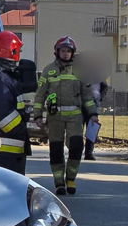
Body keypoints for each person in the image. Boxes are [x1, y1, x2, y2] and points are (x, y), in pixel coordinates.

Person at [33, 36, 98, 194]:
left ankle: (70, 178)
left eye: (69, 51)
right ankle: (59, 183)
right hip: (54, 117)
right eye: (63, 50)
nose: (66, 53)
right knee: (56, 150)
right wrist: (37, 115)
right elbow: (40, 95)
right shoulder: (49, 70)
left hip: (75, 117)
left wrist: (93, 113)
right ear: (57, 52)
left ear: (73, 53)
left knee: (77, 147)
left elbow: (87, 96)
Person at [0, 31, 31, 174]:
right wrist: (21, 130)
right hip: (5, 150)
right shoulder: (0, 78)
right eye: (17, 51)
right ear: (11, 51)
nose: (19, 55)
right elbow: (3, 114)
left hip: (5, 148)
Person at [83, 81, 108, 160]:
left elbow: (105, 87)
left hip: (94, 105)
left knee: (92, 130)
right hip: (80, 105)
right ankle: (77, 152)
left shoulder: (98, 76)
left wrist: (100, 97)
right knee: (77, 131)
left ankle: (88, 153)